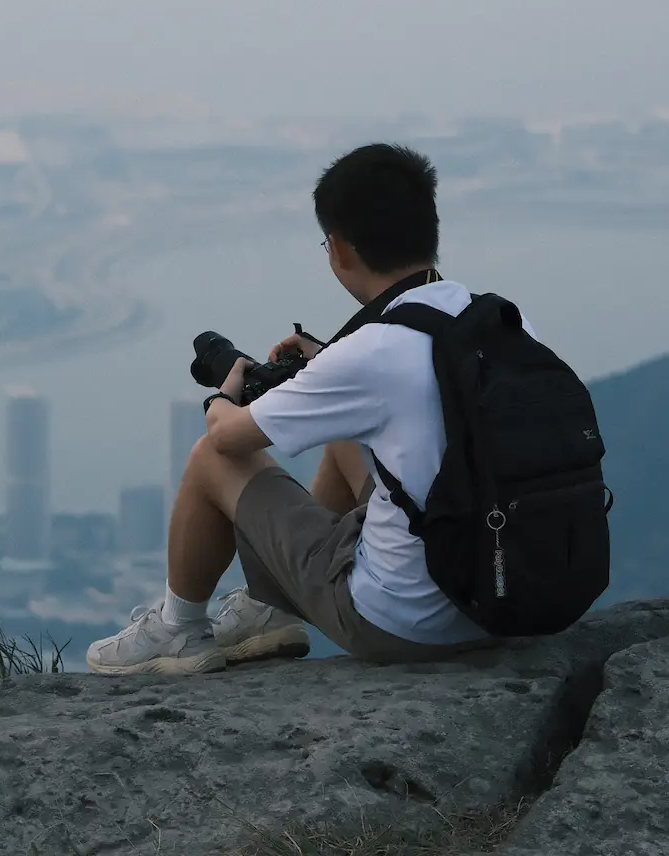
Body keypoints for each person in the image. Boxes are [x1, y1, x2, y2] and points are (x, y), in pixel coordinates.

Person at [87, 142, 507, 674]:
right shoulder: (494, 322)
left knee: (211, 456)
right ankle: (271, 609)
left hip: (406, 624)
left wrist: (225, 394)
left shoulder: (372, 351)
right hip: (500, 598)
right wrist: (328, 363)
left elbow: (227, 439)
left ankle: (179, 629)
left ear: (339, 249)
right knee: (344, 437)